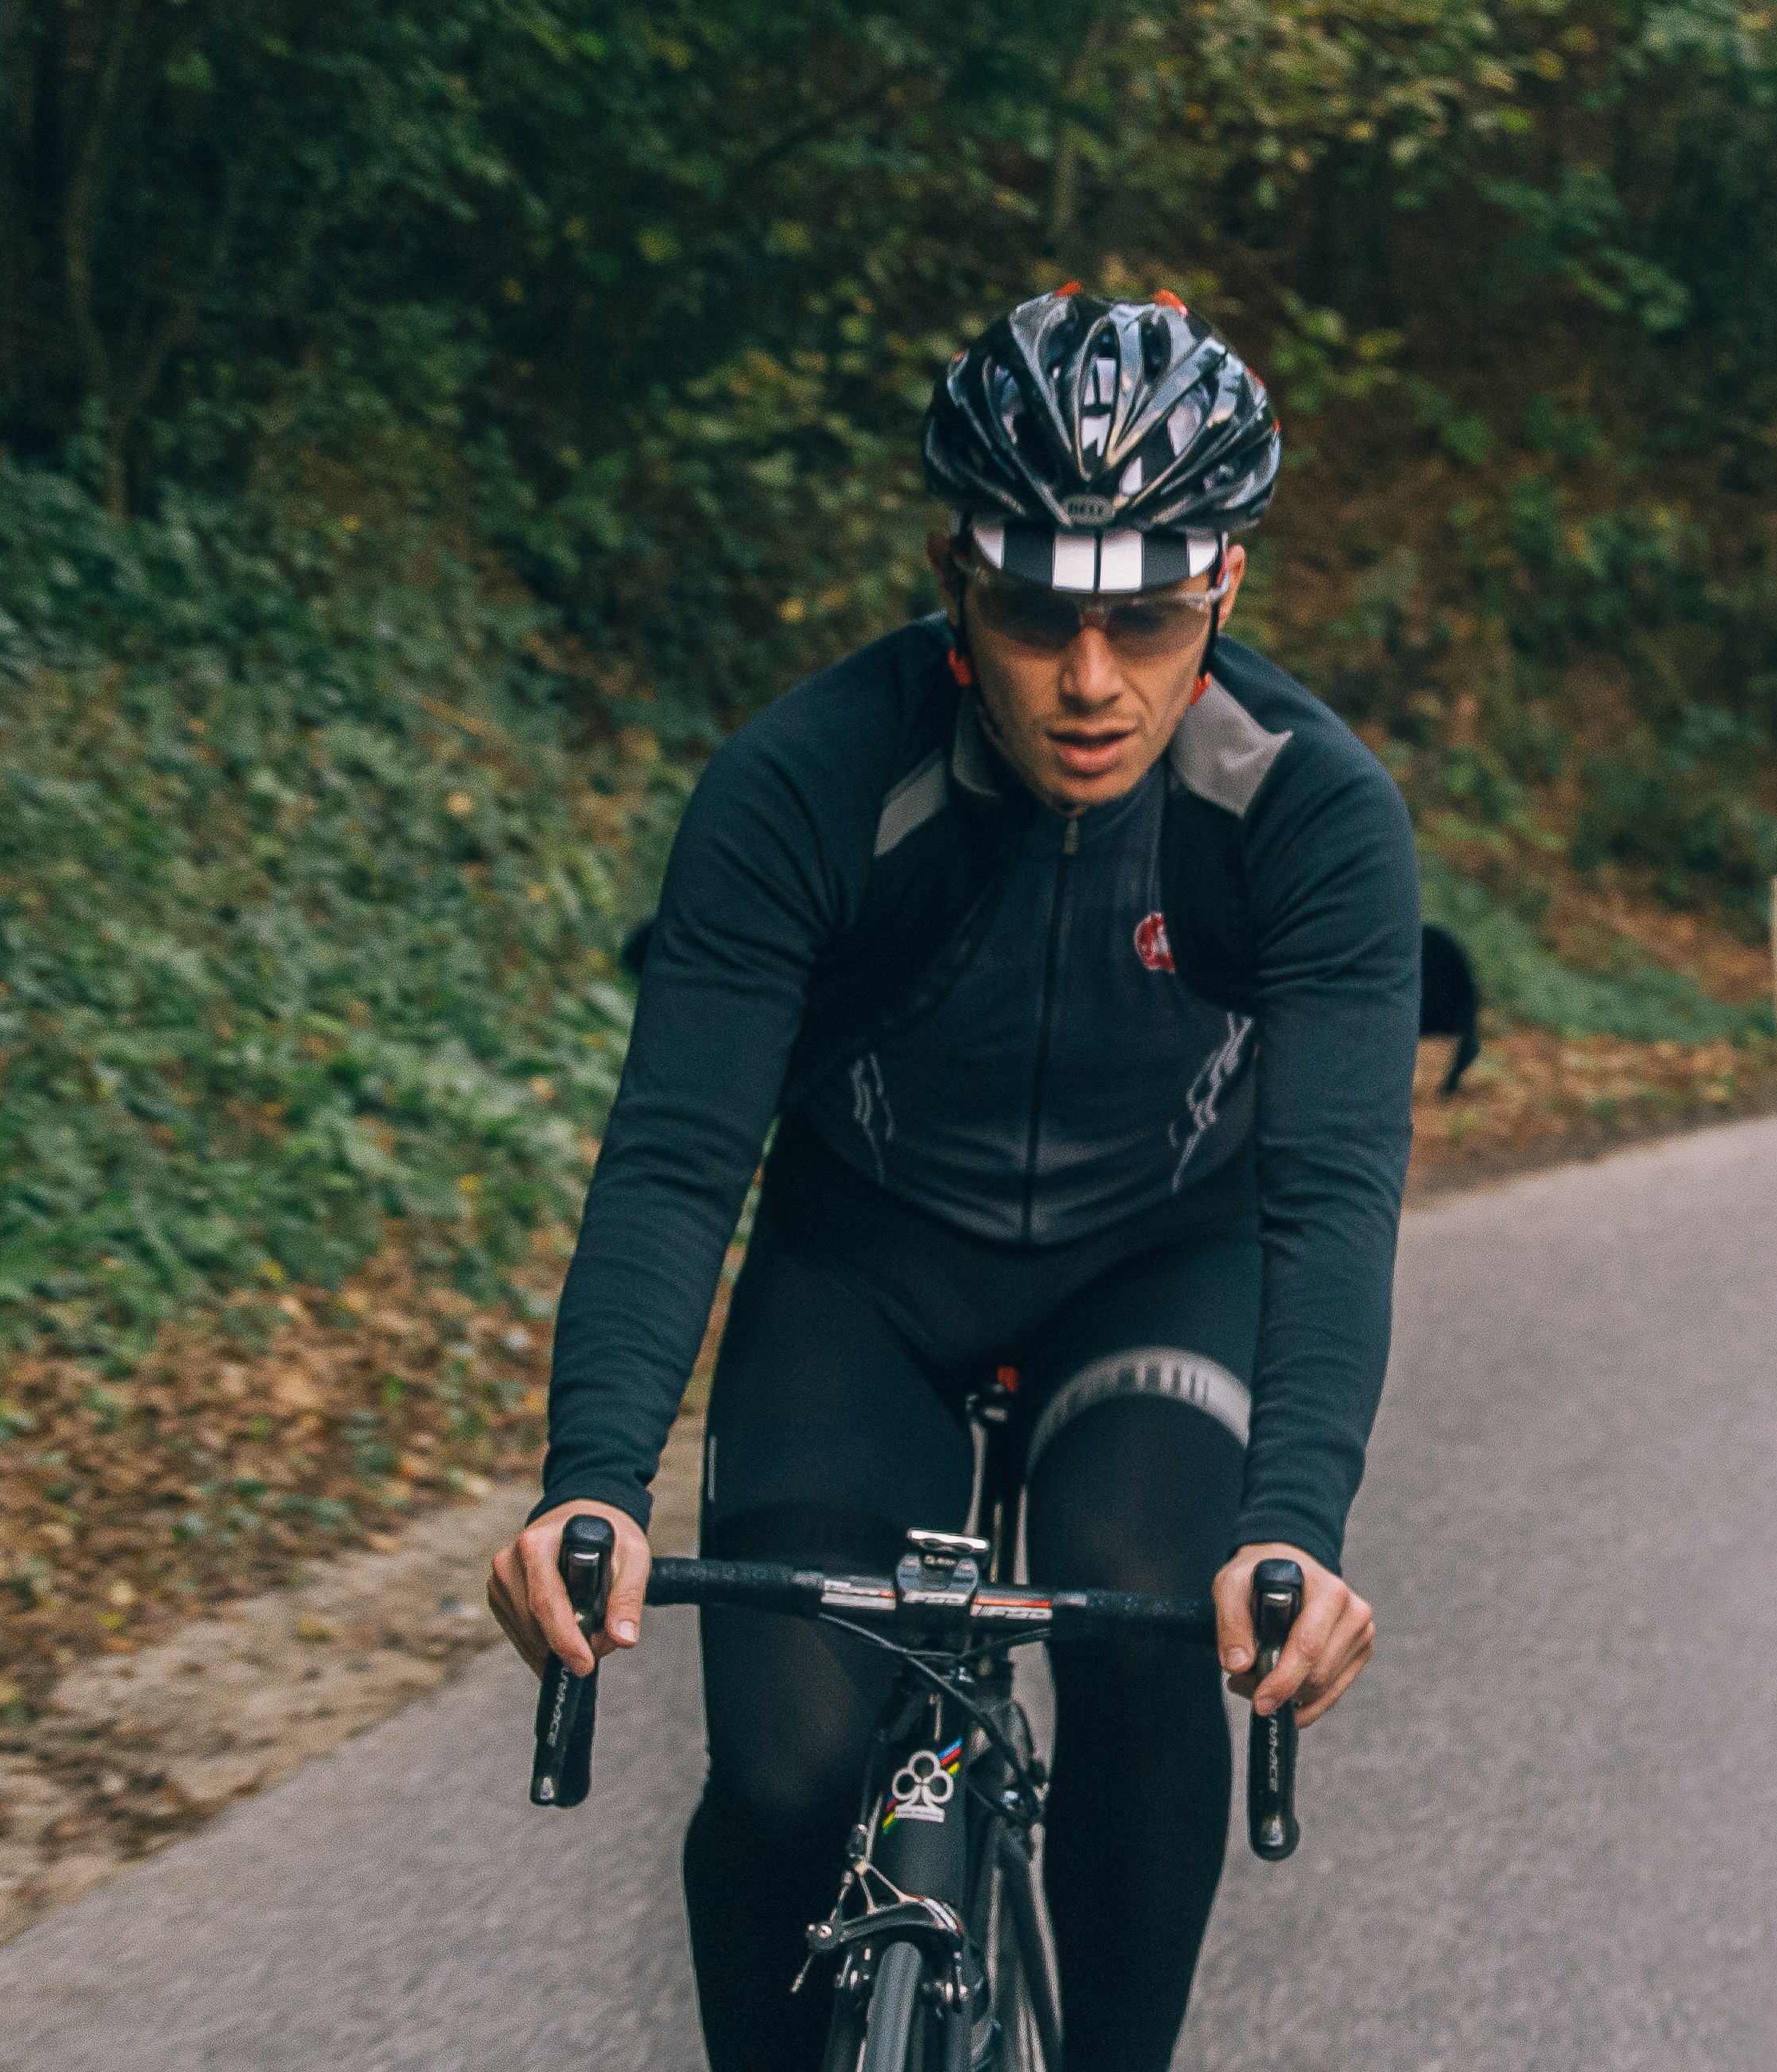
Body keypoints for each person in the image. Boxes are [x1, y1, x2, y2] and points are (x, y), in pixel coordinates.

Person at [484, 285, 1420, 2072]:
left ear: (1225, 589)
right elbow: (678, 1155)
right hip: (866, 1268)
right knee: (783, 1771)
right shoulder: (805, 782)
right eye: (1038, 613)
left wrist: (1295, 1525)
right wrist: (590, 1480)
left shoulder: (1309, 816)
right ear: (954, 581)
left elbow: (1329, 1195)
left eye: (1147, 619)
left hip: (1161, 1261)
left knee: (1146, 1610)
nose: (1091, 680)